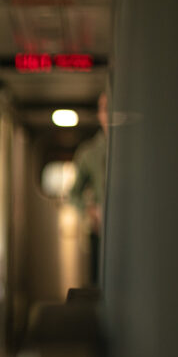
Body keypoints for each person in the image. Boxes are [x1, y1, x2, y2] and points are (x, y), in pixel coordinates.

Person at [69, 92, 108, 285]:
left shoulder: (136, 148)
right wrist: (90, 210)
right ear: (100, 114)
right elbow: (73, 194)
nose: (109, 114)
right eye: (105, 109)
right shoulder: (89, 153)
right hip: (101, 232)